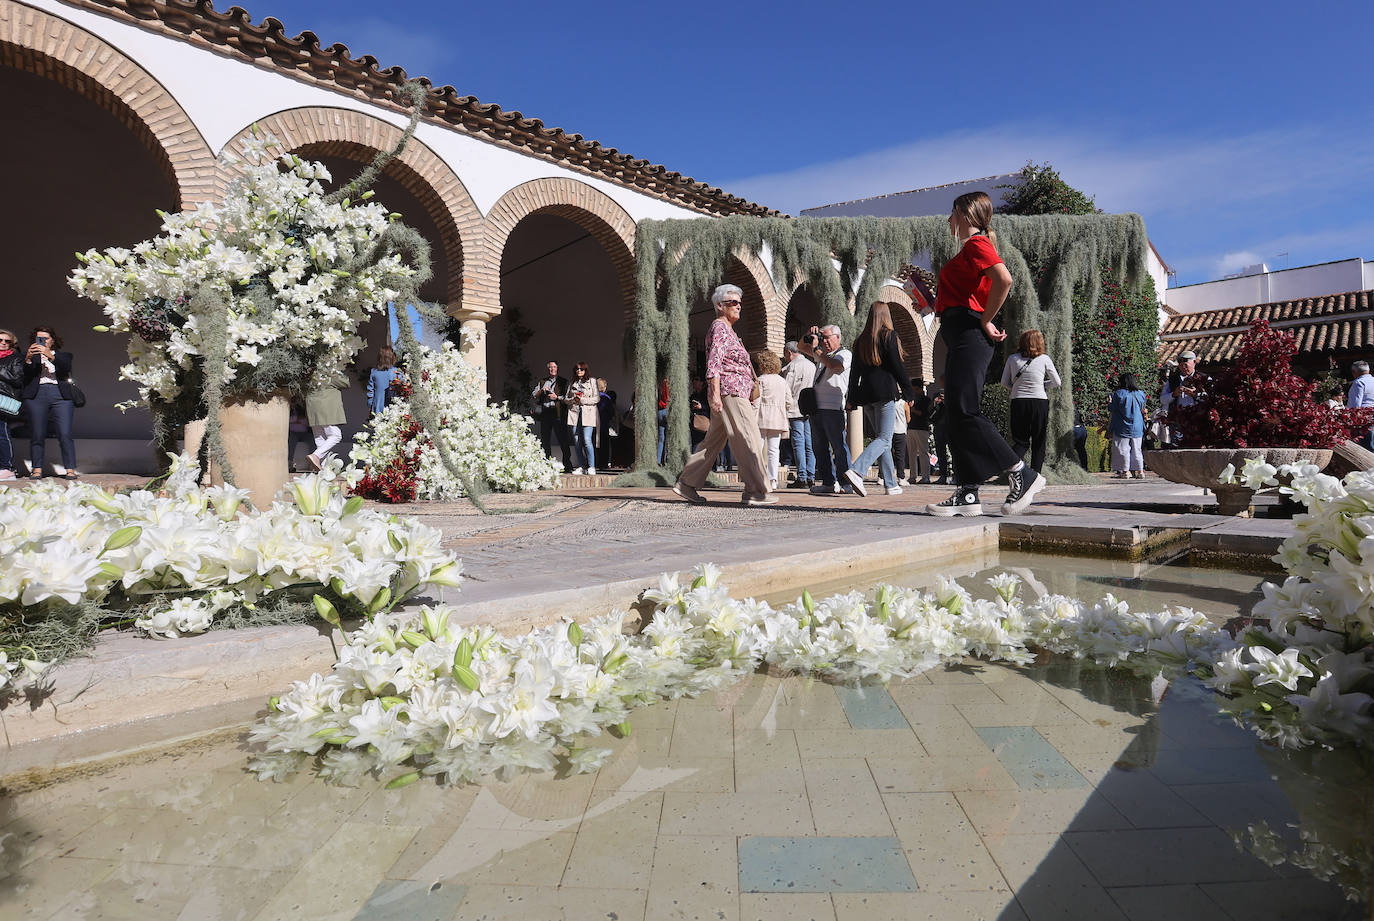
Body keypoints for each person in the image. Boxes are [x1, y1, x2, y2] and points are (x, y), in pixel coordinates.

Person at [926, 191, 1043, 517]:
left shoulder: (977, 244)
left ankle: (1022, 472)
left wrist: (986, 319)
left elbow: (1004, 279)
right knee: (957, 412)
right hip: (962, 334)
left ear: (964, 215)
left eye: (952, 214)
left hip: (969, 336)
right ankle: (967, 494)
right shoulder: (971, 249)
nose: (948, 221)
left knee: (965, 410)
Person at [673, 284, 773, 506]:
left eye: (739, 302)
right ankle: (755, 490)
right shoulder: (719, 327)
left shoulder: (728, 330)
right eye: (732, 302)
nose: (738, 306)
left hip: (732, 392)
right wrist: (716, 394)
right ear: (720, 306)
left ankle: (686, 484)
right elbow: (714, 363)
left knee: (712, 443)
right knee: (749, 437)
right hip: (730, 392)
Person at [842, 302, 916, 497]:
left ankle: (891, 484)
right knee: (885, 439)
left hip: (867, 395)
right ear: (886, 316)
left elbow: (854, 373)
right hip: (885, 394)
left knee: (882, 440)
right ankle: (857, 470)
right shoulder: (889, 336)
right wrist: (909, 392)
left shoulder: (860, 341)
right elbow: (898, 367)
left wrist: (851, 397)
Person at [798, 324, 852, 496]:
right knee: (819, 447)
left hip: (833, 408)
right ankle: (828, 483)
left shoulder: (844, 354)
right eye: (822, 338)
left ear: (837, 337)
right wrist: (808, 334)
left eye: (827, 338)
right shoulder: (821, 353)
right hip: (816, 408)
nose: (824, 342)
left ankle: (846, 483)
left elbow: (835, 367)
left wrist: (816, 350)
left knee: (838, 447)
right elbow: (800, 347)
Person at [1000, 329, 1062, 474]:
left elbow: (1004, 382)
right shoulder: (1045, 359)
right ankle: (1036, 474)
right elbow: (1057, 382)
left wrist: (1017, 388)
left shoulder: (1012, 358)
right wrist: (1042, 385)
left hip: (1019, 402)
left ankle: (1011, 468)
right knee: (1039, 440)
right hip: (1039, 402)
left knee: (1021, 441)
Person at [23, 326, 79, 478]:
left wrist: (50, 356)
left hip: (60, 396)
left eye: (45, 338)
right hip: (37, 395)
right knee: (37, 433)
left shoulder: (64, 356)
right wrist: (28, 359)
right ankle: (37, 469)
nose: (42, 341)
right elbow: (24, 377)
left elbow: (66, 368)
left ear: (52, 340)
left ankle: (70, 469)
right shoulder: (30, 356)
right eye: (39, 338)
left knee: (65, 433)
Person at [781, 341, 816, 488]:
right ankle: (811, 475)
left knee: (798, 443)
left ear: (789, 353)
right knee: (809, 443)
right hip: (809, 407)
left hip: (795, 408)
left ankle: (802, 477)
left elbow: (786, 389)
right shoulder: (811, 365)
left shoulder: (792, 367)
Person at [754, 350, 789, 491]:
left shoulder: (760, 380)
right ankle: (773, 479)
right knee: (774, 451)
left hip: (761, 417)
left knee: (757, 448)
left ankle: (758, 478)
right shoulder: (782, 381)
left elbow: (756, 400)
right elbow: (789, 401)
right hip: (778, 418)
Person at [1161, 351, 1211, 445]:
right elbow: (1162, 399)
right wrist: (1173, 394)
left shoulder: (1204, 378)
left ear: (1194, 362)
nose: (1183, 368)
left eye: (1186, 365)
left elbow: (1211, 399)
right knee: (1177, 449)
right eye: (1181, 365)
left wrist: (1196, 395)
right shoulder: (1173, 380)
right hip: (1178, 421)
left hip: (1198, 420)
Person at [532, 360, 572, 471]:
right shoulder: (542, 381)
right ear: (548, 369)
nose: (552, 369)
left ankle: (567, 465)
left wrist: (557, 397)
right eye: (550, 367)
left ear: (557, 368)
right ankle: (547, 465)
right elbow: (534, 395)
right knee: (545, 440)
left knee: (563, 439)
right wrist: (542, 390)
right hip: (545, 413)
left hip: (558, 414)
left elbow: (568, 398)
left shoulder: (564, 382)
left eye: (554, 367)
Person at [1108, 373, 1148, 479]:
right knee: (1137, 449)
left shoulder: (1119, 393)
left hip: (1122, 425)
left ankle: (1125, 471)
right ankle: (1140, 470)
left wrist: (1110, 402)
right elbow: (1142, 407)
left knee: (1122, 449)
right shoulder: (1140, 393)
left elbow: (1112, 408)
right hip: (1138, 425)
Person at [565, 362, 599, 474]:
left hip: (588, 413)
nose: (579, 371)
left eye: (581, 369)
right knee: (576, 440)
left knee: (587, 439)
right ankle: (582, 466)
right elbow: (566, 399)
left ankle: (591, 466)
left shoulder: (592, 381)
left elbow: (596, 399)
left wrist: (583, 400)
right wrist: (573, 399)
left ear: (585, 370)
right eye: (577, 369)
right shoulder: (572, 383)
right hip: (574, 414)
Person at [305, 384, 346, 470]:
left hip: (312, 406)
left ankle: (323, 468)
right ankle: (316, 456)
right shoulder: (329, 372)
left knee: (320, 439)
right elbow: (344, 382)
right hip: (325, 407)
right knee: (336, 435)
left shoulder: (309, 373)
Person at [0, 328, 22, 480]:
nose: (3, 343)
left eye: (7, 341)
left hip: (2, 399)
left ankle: (8, 468)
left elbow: (17, 379)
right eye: (0, 340)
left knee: (2, 433)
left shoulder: (16, 358)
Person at [365, 346, 403, 415]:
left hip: (377, 407)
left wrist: (370, 405)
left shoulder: (374, 372)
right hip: (393, 409)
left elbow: (370, 392)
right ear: (392, 357)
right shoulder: (397, 372)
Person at [907, 384, 933, 484]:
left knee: (923, 452)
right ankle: (913, 476)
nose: (914, 391)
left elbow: (925, 414)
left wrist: (913, 410)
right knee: (911, 453)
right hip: (911, 427)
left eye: (916, 389)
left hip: (921, 428)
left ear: (921, 389)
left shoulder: (926, 400)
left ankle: (925, 476)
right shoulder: (911, 399)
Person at [1347, 360, 1374, 449]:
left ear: (1354, 372)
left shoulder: (1359, 383)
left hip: (1365, 420)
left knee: (1367, 448)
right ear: (1368, 370)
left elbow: (1355, 405)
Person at [596, 378, 617, 471]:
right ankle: (603, 463)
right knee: (604, 445)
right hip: (603, 424)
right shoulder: (606, 398)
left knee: (595, 444)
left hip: (593, 424)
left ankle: (595, 462)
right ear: (604, 387)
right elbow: (612, 412)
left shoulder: (593, 397)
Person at [891, 397, 910, 485]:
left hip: (890, 430)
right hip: (901, 430)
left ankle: (881, 477)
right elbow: (908, 418)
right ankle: (901, 477)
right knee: (900, 455)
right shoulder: (904, 403)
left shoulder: (890, 403)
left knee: (887, 453)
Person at [656, 375, 670, 464]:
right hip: (666, 410)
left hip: (660, 411)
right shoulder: (668, 385)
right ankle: (666, 460)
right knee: (669, 438)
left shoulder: (659, 385)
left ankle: (658, 460)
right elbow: (668, 398)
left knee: (661, 439)